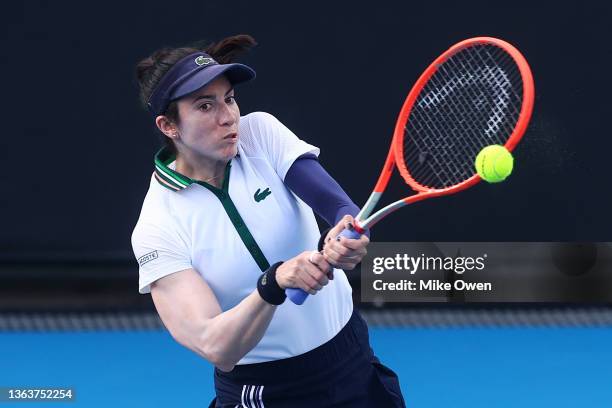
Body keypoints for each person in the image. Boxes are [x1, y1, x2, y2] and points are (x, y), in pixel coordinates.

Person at [131, 34, 405, 407]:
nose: (228, 116)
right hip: (265, 391)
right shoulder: (157, 226)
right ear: (169, 126)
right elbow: (216, 346)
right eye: (205, 106)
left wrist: (347, 231)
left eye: (229, 99)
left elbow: (338, 206)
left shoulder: (259, 133)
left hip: (351, 362)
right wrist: (272, 284)